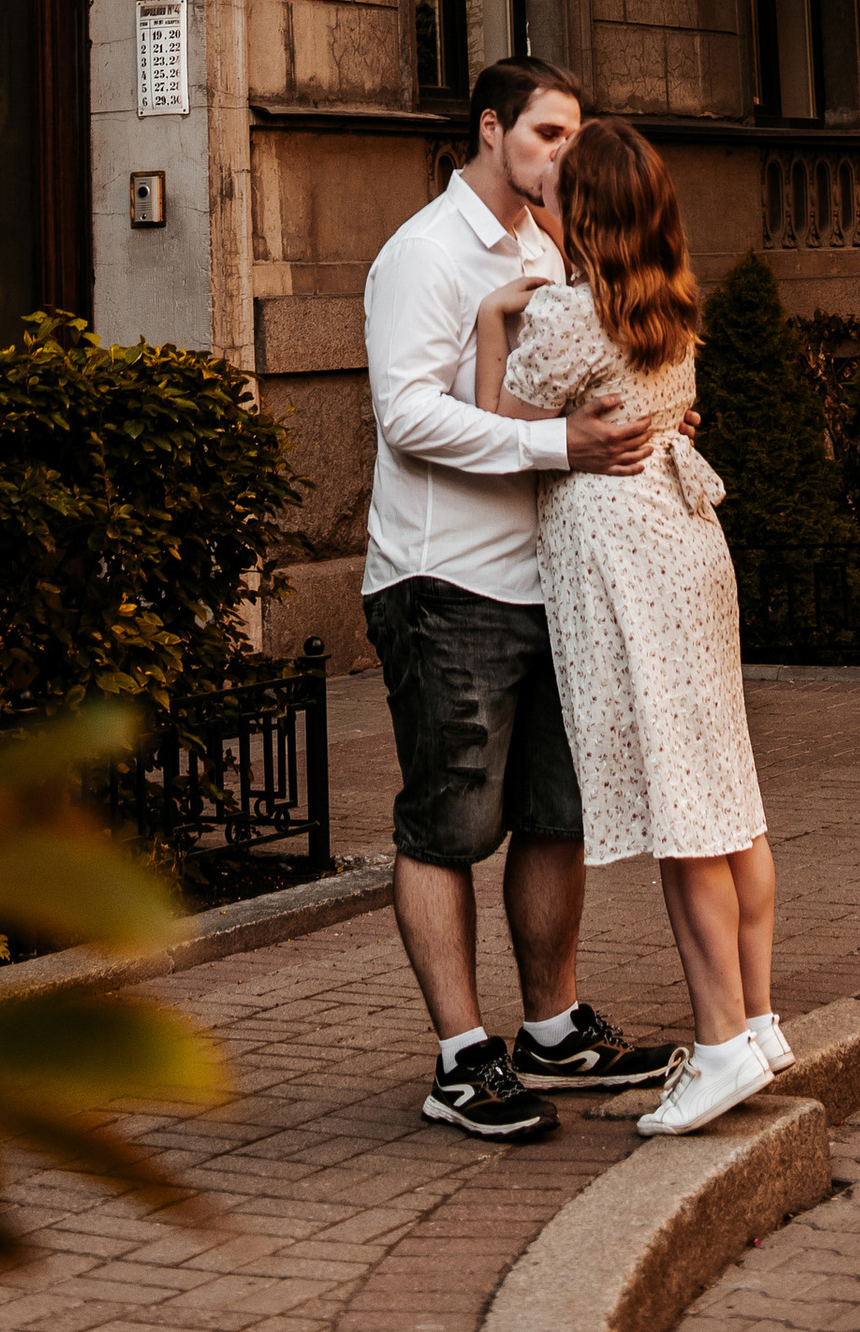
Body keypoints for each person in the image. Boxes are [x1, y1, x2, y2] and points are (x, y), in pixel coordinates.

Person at [361, 58, 687, 1142]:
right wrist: (559, 444)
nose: (564, 154)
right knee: (448, 826)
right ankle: (462, 1059)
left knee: (557, 817)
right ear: (490, 128)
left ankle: (551, 1030)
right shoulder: (424, 253)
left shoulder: (553, 248)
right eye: (548, 134)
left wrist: (647, 415)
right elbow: (408, 415)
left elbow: (582, 381)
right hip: (445, 580)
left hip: (555, 577)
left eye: (575, 136)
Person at [475, 114, 785, 1139]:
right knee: (726, 798)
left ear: (588, 211)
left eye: (561, 180)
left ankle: (720, 1045)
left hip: (626, 562)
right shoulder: (669, 301)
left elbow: (497, 421)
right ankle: (758, 1021)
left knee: (682, 814)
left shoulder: (570, 316)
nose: (547, 187)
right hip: (688, 549)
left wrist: (494, 320)